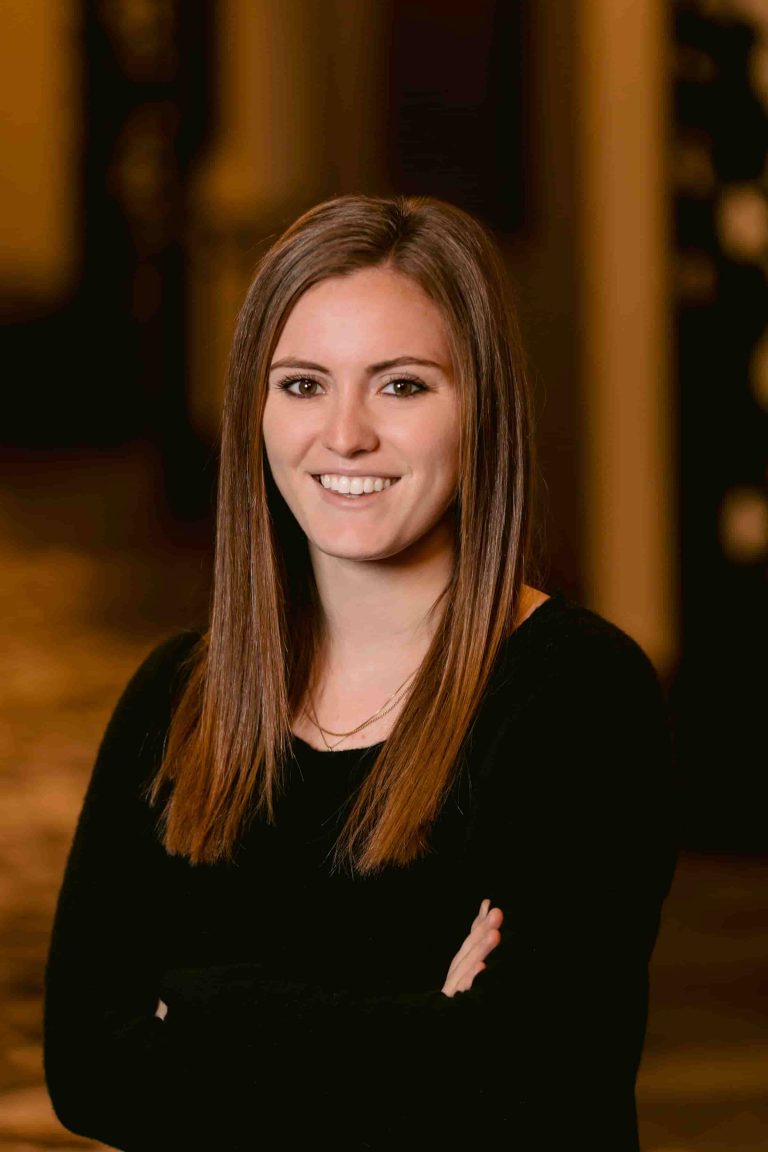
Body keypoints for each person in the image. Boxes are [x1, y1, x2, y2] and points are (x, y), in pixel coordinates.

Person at [43, 193, 677, 1151]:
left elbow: (531, 1084)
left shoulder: (579, 696)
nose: (344, 436)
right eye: (302, 385)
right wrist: (422, 1021)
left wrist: (208, 1010)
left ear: (482, 411)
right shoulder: (178, 697)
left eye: (402, 386)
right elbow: (88, 1074)